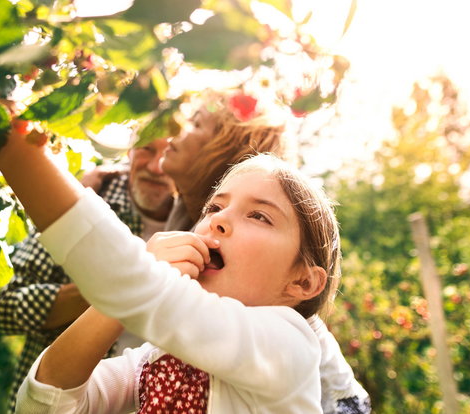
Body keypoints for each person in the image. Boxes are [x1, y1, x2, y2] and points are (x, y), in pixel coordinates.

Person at [0, 109, 344, 411]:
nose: (216, 221)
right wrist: (117, 302)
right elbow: (45, 402)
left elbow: (149, 295)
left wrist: (8, 145)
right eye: (215, 208)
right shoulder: (157, 356)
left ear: (302, 282)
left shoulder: (287, 342)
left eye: (259, 216)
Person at [158, 94, 371, 413]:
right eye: (214, 208)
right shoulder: (183, 218)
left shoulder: (277, 310)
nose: (174, 128)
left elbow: (145, 298)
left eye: (196, 123)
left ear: (225, 151)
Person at [0, 137, 174, 413]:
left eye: (170, 151)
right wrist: (129, 281)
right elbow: (7, 309)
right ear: (130, 151)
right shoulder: (86, 200)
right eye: (147, 148)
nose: (156, 166)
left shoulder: (199, 222)